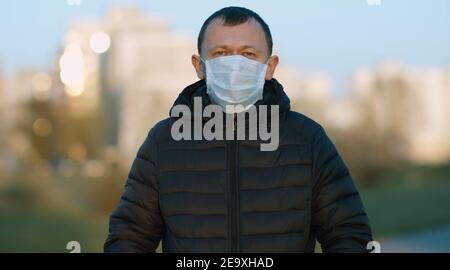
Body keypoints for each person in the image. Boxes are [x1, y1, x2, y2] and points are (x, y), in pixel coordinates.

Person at [104, 6, 372, 253]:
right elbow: (128, 238)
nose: (234, 66)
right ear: (199, 66)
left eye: (248, 54)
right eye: (220, 54)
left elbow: (349, 233)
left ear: (270, 67)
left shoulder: (307, 140)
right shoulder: (164, 141)